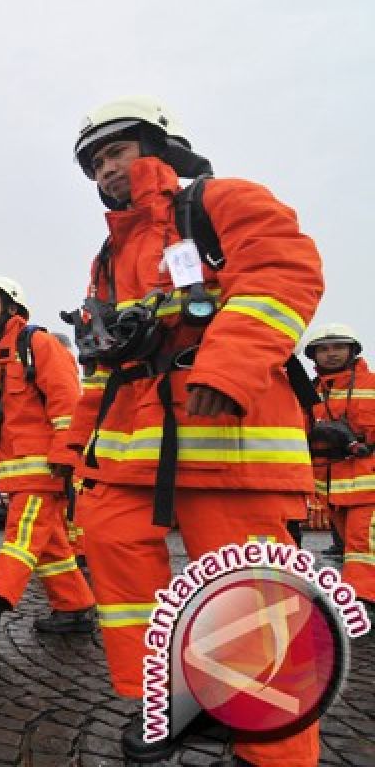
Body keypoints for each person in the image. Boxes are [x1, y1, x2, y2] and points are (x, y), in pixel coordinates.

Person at [64, 96, 322, 764]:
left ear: (159, 144)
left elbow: (283, 272)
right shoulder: (106, 259)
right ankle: (169, 696)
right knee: (111, 546)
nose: (104, 169)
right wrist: (74, 451)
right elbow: (104, 366)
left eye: (115, 151)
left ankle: (272, 754)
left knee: (252, 613)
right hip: (132, 450)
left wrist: (226, 366)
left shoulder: (221, 201)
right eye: (94, 162)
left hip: (231, 441)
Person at [0, 277, 95, 639]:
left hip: (44, 469)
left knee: (21, 538)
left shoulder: (38, 344)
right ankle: (73, 608)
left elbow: (68, 402)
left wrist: (65, 455)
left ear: (13, 307)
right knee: (51, 545)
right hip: (18, 470)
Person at [304, 324, 375, 612]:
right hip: (331, 487)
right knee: (351, 547)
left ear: (352, 351)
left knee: (362, 547)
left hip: (367, 482)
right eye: (324, 349)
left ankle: (361, 603)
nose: (331, 354)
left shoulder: (371, 386)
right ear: (314, 355)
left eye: (338, 347)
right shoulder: (310, 392)